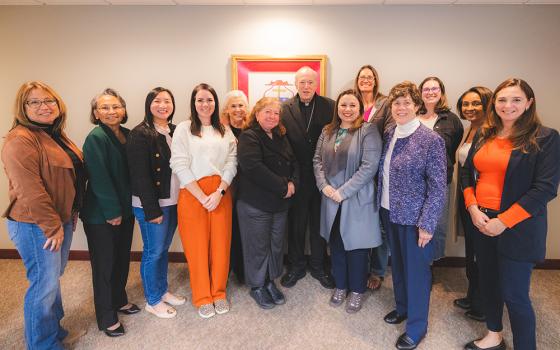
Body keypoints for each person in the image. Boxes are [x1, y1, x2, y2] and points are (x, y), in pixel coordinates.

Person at [462, 78, 559, 350]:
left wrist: (502, 222)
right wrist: (472, 208)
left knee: (515, 294)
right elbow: (468, 173)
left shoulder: (546, 137)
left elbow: (545, 189)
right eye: (502, 99)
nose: (508, 105)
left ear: (529, 103)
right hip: (481, 221)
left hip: (518, 226)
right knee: (489, 283)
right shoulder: (484, 133)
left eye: (516, 99)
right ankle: (494, 334)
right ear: (494, 103)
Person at [2, 81, 85, 349]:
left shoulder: (53, 134)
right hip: (36, 224)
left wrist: (69, 213)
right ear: (23, 108)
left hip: (59, 219)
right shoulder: (20, 140)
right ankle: (42, 344)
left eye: (49, 100)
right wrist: (52, 227)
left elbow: (67, 177)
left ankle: (52, 328)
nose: (44, 106)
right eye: (34, 102)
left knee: (52, 278)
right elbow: (30, 191)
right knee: (43, 284)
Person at [378, 81, 447, 350]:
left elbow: (438, 186)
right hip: (388, 211)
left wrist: (428, 224)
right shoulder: (389, 132)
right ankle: (403, 307)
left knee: (417, 272)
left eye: (407, 102)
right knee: (398, 266)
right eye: (397, 103)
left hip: (416, 218)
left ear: (417, 105)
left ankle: (417, 327)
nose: (401, 107)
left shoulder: (431, 140)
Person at [170, 83, 237, 318]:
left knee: (221, 246)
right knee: (197, 247)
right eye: (200, 100)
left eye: (209, 100)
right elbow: (178, 164)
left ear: (215, 103)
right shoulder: (184, 128)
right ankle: (202, 296)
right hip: (193, 192)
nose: (205, 104)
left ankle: (218, 292)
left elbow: (232, 162)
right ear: (193, 103)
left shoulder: (224, 130)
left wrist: (219, 192)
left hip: (220, 191)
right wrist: (201, 196)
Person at [313, 89, 382, 313]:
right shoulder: (327, 130)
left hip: (356, 197)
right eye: (343, 105)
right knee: (336, 245)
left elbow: (369, 166)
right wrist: (324, 186)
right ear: (337, 108)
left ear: (360, 108)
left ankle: (357, 290)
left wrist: (344, 192)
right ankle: (341, 286)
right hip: (331, 198)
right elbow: (317, 160)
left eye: (353, 105)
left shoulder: (368, 130)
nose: (348, 109)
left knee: (357, 247)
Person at [81, 88, 137, 337]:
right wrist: (112, 211)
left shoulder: (127, 134)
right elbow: (99, 177)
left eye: (116, 106)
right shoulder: (96, 138)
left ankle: (119, 299)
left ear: (123, 110)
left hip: (126, 209)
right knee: (104, 265)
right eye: (104, 107)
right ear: (96, 113)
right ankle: (106, 317)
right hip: (102, 214)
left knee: (121, 258)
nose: (111, 111)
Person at [127, 87, 185, 319]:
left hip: (173, 200)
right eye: (157, 101)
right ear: (148, 104)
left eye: (167, 101)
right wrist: (152, 210)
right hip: (151, 204)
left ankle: (161, 290)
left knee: (162, 250)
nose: (163, 105)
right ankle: (152, 299)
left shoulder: (175, 129)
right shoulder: (139, 134)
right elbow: (139, 175)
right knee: (153, 251)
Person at [237, 97, 299, 309]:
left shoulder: (280, 136)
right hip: (256, 204)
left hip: (280, 204)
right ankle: (257, 286)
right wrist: (284, 186)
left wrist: (293, 182)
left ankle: (270, 281)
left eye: (276, 113)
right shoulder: (249, 137)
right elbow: (253, 168)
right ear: (257, 114)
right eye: (268, 112)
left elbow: (294, 162)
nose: (272, 116)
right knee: (257, 247)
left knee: (275, 245)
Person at [280, 66, 336, 289]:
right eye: (302, 82)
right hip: (295, 177)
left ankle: (319, 266)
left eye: (310, 82)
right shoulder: (284, 108)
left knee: (318, 225)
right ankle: (296, 266)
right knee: (296, 225)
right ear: (296, 84)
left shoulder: (330, 106)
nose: (306, 86)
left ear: (316, 84)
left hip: (322, 177)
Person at [452, 86, 493, 323]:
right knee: (472, 252)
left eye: (476, 103)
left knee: (482, 254)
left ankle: (484, 303)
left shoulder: (491, 132)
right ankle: (473, 294)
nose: (470, 108)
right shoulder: (469, 130)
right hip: (467, 197)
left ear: (487, 104)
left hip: (482, 201)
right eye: (465, 104)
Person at [354, 64, 392, 291]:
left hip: (378, 169)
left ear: (376, 80)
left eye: (370, 77)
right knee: (358, 219)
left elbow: (389, 131)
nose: (366, 80)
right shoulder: (351, 101)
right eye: (362, 77)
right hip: (353, 169)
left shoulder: (385, 103)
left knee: (379, 224)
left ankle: (377, 271)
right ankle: (359, 266)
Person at [418, 76, 463, 261]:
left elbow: (454, 150)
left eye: (434, 88)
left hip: (440, 182)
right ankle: (417, 262)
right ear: (420, 93)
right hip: (414, 182)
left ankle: (430, 264)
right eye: (426, 89)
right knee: (415, 224)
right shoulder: (412, 115)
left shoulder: (451, 120)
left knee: (437, 225)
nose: (430, 92)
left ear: (441, 92)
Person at [220, 90, 249, 283]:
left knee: (244, 229)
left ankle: (242, 270)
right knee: (228, 229)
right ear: (226, 109)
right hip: (227, 185)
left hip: (248, 186)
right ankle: (227, 268)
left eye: (241, 105)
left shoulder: (252, 128)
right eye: (233, 106)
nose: (238, 109)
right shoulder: (219, 130)